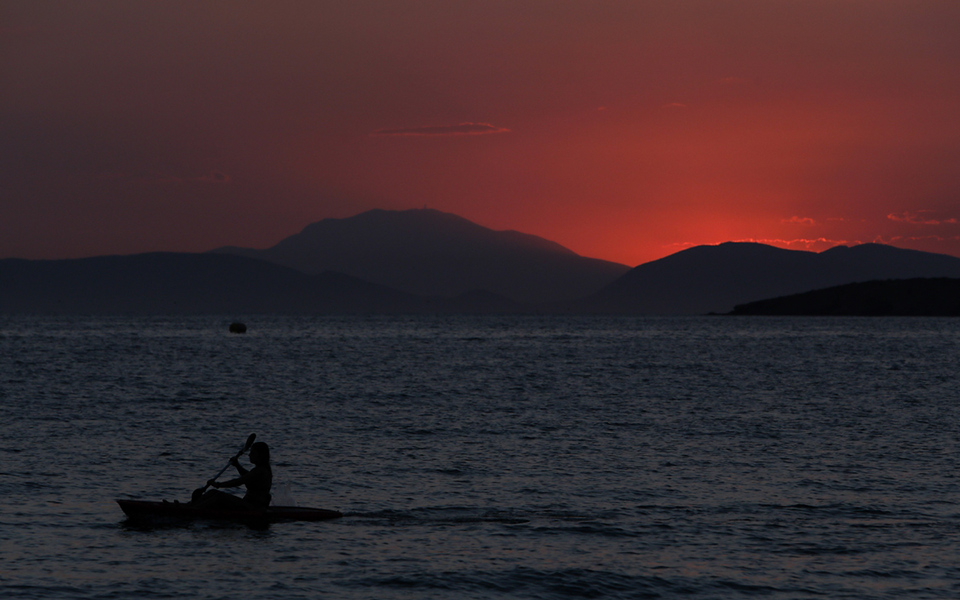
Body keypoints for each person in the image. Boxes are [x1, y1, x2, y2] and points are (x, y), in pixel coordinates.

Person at [193, 441, 273, 510]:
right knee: (212, 492)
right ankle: (193, 506)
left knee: (219, 497)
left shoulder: (260, 471)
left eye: (252, 453)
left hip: (254, 507)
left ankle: (194, 510)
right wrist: (237, 465)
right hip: (248, 504)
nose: (249, 455)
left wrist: (218, 485)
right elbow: (248, 477)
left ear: (260, 455)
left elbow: (239, 481)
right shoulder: (259, 470)